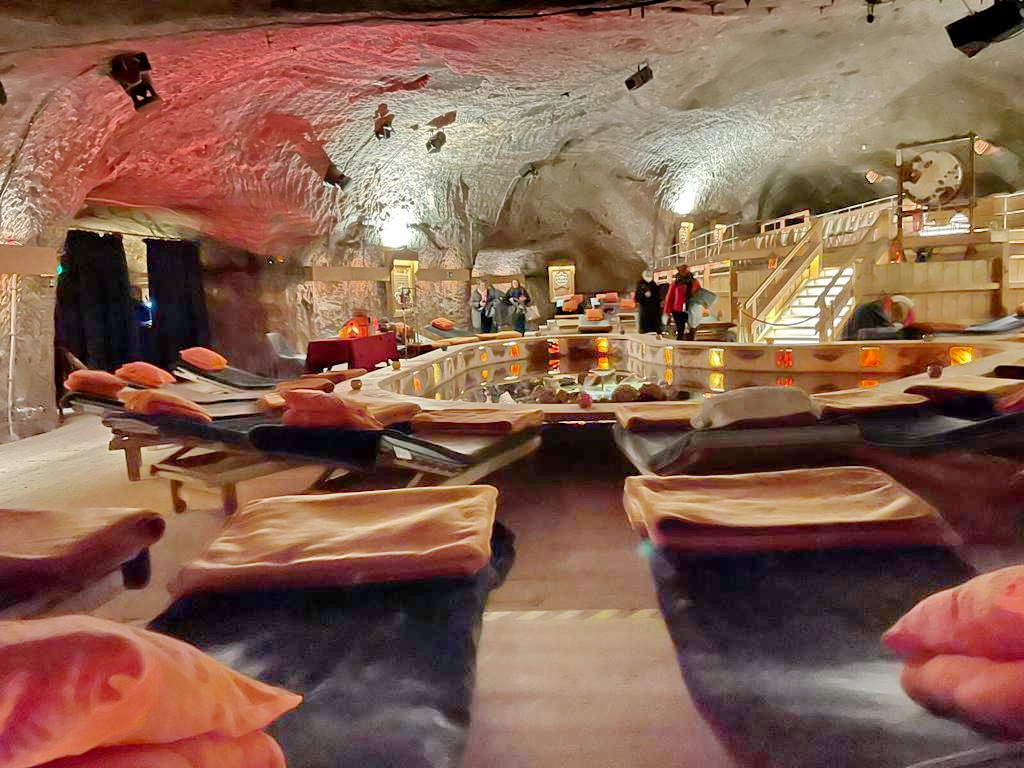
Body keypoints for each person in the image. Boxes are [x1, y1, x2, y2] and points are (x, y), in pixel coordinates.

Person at [841, 294, 915, 340]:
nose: (892, 321)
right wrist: (898, 332)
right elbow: (863, 334)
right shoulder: (868, 310)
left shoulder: (867, 309)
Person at [662, 265, 701, 340]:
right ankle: (680, 343)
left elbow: (700, 295)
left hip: (691, 309)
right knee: (680, 330)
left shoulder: (695, 282)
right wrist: (666, 312)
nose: (683, 272)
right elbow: (669, 298)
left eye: (685, 270)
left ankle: (690, 343)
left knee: (692, 330)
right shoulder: (675, 283)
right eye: (681, 270)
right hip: (678, 311)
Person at [635, 270, 662, 334]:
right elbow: (638, 298)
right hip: (646, 308)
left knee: (653, 327)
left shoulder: (653, 284)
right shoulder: (641, 284)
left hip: (653, 309)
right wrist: (643, 293)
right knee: (646, 327)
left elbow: (658, 296)